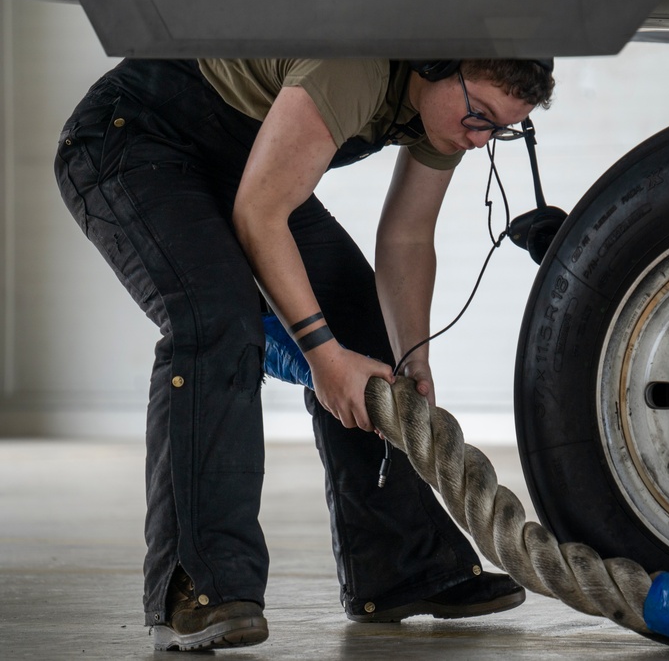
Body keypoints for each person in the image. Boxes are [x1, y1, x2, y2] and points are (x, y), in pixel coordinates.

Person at [54, 56, 555, 651]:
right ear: (437, 63)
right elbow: (260, 214)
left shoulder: (447, 113)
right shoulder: (354, 68)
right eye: (478, 117)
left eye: (498, 129)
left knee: (361, 329)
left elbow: (408, 235)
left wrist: (410, 355)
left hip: (237, 155)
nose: (479, 140)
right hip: (133, 135)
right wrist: (322, 357)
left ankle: (401, 570)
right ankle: (197, 586)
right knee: (214, 324)